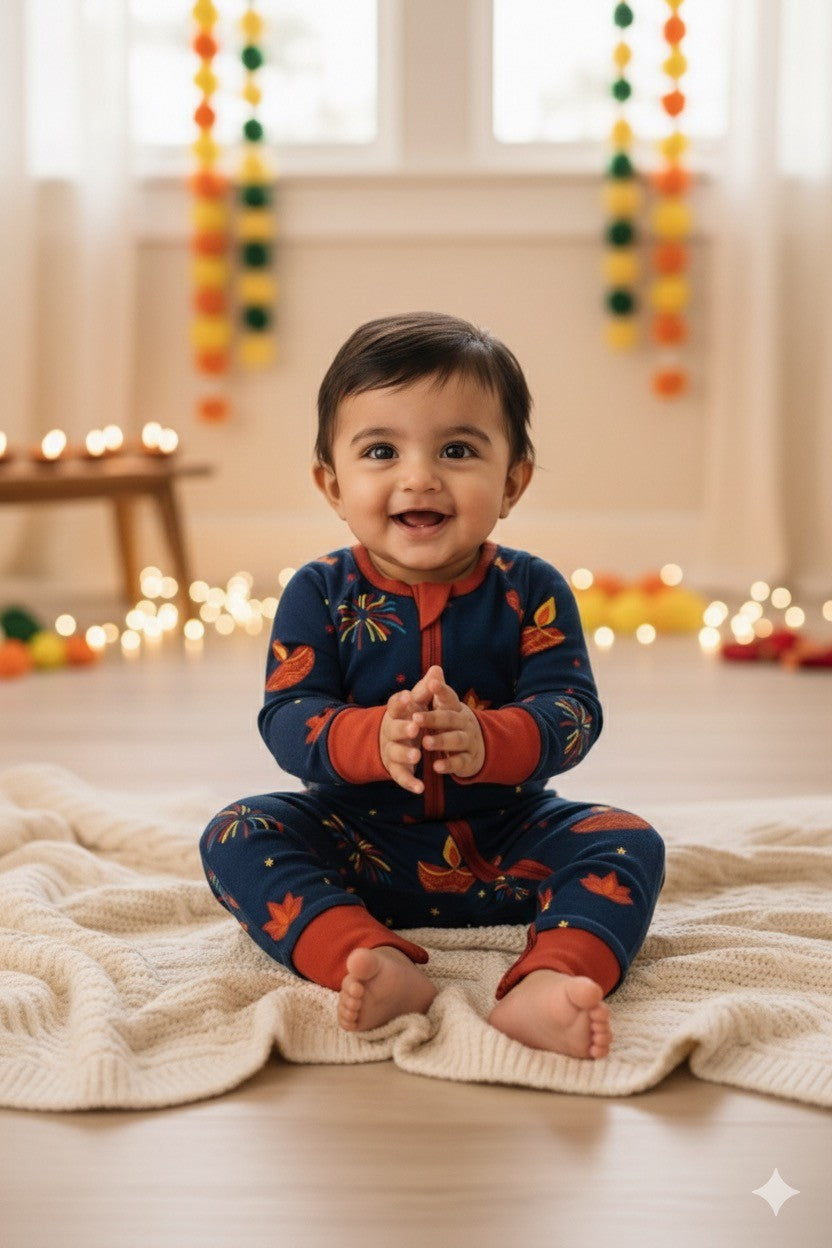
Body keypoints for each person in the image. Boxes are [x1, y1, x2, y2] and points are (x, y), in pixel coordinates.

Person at [200, 312, 665, 1060]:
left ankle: (550, 980)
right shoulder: (319, 593)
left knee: (628, 842)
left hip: (507, 841)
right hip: (357, 845)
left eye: (456, 449)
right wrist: (368, 736)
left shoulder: (531, 589)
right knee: (237, 831)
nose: (419, 476)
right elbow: (288, 717)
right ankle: (368, 956)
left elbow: (572, 713)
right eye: (381, 450)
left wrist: (489, 739)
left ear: (512, 482)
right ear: (332, 484)